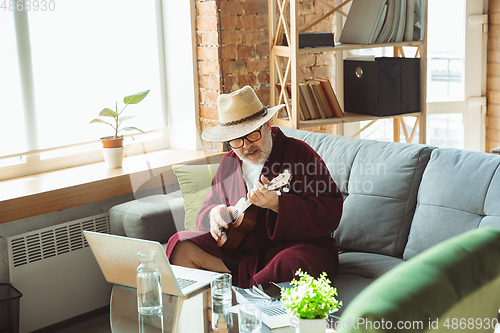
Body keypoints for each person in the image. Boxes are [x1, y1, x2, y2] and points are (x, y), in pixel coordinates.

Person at [166, 85, 343, 288]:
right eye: (237, 140)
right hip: (243, 255)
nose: (247, 145)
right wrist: (214, 215)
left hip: (296, 248)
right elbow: (206, 213)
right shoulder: (229, 163)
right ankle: (221, 308)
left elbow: (330, 210)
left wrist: (279, 204)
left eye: (252, 134)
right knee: (179, 245)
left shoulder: (299, 154)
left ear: (267, 124)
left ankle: (249, 290)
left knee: (292, 264)